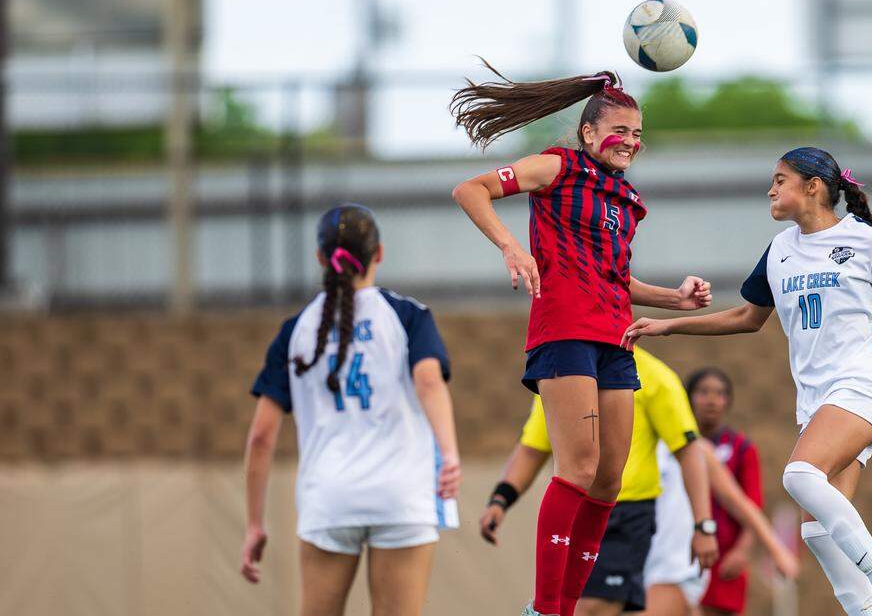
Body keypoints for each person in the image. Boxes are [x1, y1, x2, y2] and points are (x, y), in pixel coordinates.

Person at [622, 147, 872, 616]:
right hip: (816, 400)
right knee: (816, 526)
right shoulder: (779, 251)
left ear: (813, 187)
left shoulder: (867, 244)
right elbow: (748, 317)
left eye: (780, 179)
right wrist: (668, 325)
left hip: (867, 385)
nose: (770, 189)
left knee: (798, 475)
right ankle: (866, 611)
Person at [451, 62, 712, 616]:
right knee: (579, 465)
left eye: (639, 134)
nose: (631, 142)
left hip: (615, 337)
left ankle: (564, 606)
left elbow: (618, 280)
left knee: (609, 479)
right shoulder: (557, 167)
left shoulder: (625, 199)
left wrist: (677, 298)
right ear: (589, 133)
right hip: (564, 332)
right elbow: (469, 190)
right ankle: (547, 609)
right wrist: (510, 246)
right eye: (620, 131)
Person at [240, 204, 461, 616]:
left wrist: (254, 523)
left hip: (329, 499)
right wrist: (449, 454)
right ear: (379, 254)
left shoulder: (296, 330)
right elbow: (429, 382)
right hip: (402, 495)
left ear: (321, 259)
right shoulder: (408, 315)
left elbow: (260, 437)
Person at [479, 346, 717, 616]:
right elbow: (533, 448)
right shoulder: (563, 377)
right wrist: (500, 500)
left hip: (627, 516)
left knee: (591, 608)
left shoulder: (655, 376)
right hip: (573, 512)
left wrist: (703, 525)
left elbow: (689, 451)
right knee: (566, 604)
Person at [643, 439, 800, 616]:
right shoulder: (636, 444)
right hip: (640, 566)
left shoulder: (694, 446)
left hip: (673, 569)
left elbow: (737, 501)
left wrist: (777, 550)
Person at [684, 368, 766, 616]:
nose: (711, 400)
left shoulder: (742, 449)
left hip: (724, 557)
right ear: (688, 397)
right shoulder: (676, 445)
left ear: (728, 401)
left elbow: (752, 506)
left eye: (719, 393)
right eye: (703, 392)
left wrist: (742, 551)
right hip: (682, 552)